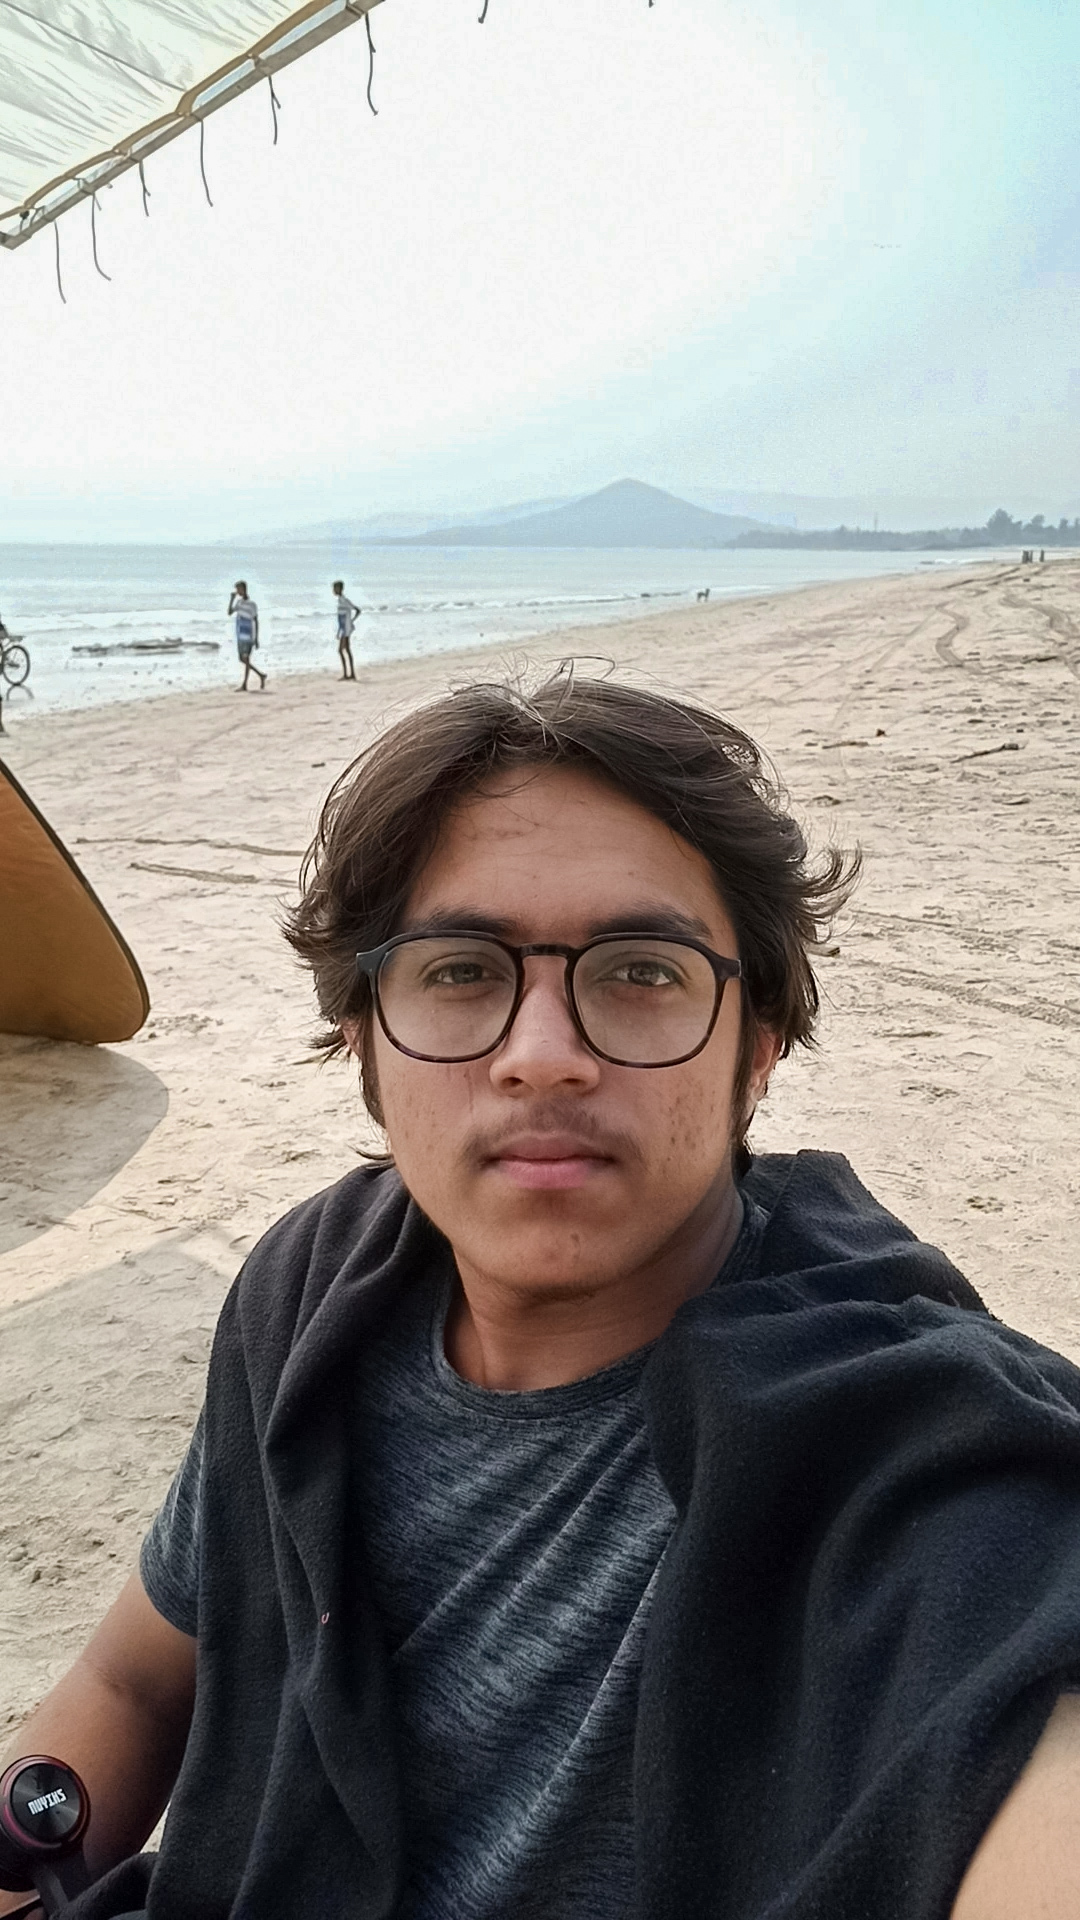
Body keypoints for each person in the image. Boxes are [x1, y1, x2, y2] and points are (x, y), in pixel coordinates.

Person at [7, 669, 1080, 1920]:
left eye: (642, 971)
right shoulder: (308, 1292)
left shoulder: (907, 1440)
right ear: (363, 1038)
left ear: (758, 1045)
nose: (542, 1056)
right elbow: (136, 1680)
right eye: (462, 970)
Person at [227, 581, 265, 692]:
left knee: (246, 658)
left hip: (248, 634)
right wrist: (231, 599)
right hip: (240, 634)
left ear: (244, 589)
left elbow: (256, 620)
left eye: (238, 589)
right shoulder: (239, 603)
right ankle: (261, 675)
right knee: (241, 659)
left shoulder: (252, 604)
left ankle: (245, 685)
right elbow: (229, 612)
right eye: (236, 589)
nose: (237, 591)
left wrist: (256, 638)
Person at [332, 579, 359, 681]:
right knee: (347, 650)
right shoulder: (340, 601)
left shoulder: (344, 601)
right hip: (343, 629)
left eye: (335, 588)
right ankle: (351, 673)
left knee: (341, 650)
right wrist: (339, 631)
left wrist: (351, 621)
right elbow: (340, 618)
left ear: (340, 589)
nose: (334, 590)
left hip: (346, 630)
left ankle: (346, 674)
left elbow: (357, 610)